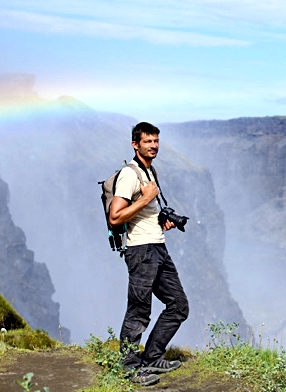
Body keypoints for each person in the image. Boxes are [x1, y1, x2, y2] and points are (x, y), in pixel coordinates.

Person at [109, 121, 189, 386]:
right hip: (141, 251)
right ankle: (130, 368)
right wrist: (145, 199)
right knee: (139, 310)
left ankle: (153, 356)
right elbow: (115, 217)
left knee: (178, 305)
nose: (154, 146)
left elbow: (143, 212)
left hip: (157, 246)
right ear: (135, 144)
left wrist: (161, 220)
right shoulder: (130, 174)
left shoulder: (149, 171)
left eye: (156, 141)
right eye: (148, 141)